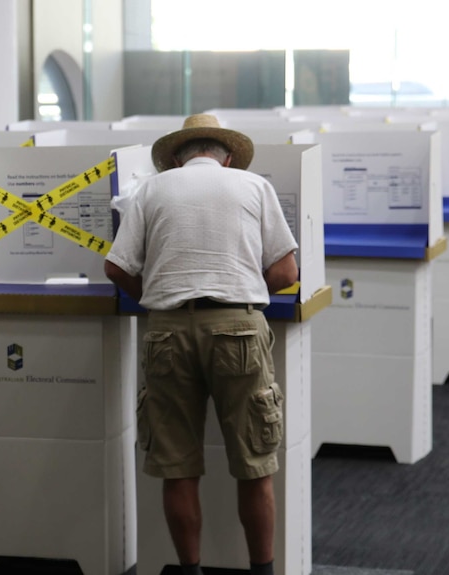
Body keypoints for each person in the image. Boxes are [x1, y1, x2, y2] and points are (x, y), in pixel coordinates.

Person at [104, 114, 298, 575]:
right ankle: (262, 570)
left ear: (174, 158)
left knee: (177, 466)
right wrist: (244, 286)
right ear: (228, 158)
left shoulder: (152, 189)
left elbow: (115, 267)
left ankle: (189, 570)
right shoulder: (253, 187)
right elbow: (287, 271)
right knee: (255, 464)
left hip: (167, 328)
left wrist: (156, 293)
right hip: (240, 329)